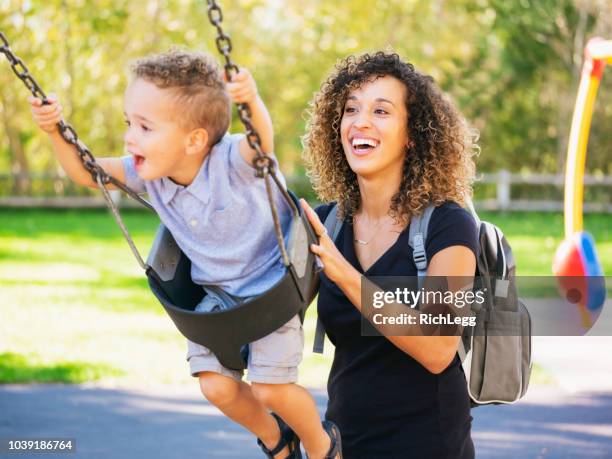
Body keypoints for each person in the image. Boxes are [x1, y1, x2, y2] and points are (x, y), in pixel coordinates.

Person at [29, 49, 341, 459]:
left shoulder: (233, 161)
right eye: (129, 123)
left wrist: (250, 101)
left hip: (274, 291)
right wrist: (55, 131)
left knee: (271, 388)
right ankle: (277, 441)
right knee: (216, 387)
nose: (129, 137)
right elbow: (88, 172)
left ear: (194, 139)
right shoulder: (148, 174)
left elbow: (260, 142)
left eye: (144, 126)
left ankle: (322, 445)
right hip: (215, 299)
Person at [300, 51, 479, 458]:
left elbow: (438, 348)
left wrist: (345, 274)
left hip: (429, 446)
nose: (361, 121)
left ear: (412, 134)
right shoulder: (327, 224)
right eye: (351, 109)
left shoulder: (447, 226)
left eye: (381, 111)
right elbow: (272, 320)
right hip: (344, 443)